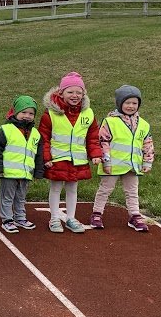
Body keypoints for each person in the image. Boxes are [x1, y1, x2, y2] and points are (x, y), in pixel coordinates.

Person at [39, 71, 102, 233]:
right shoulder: (51, 113)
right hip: (57, 158)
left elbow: (92, 136)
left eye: (79, 92)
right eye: (70, 92)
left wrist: (95, 154)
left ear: (83, 94)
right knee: (55, 188)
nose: (75, 96)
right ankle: (54, 218)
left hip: (77, 159)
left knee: (73, 189)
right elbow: (44, 137)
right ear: (61, 93)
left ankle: (70, 218)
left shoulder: (88, 113)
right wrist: (46, 157)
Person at [91, 85, 154, 231]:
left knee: (132, 191)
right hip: (112, 164)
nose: (131, 106)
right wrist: (106, 162)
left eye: (134, 103)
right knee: (105, 189)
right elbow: (103, 142)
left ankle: (135, 215)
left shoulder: (144, 124)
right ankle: (97, 213)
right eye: (127, 103)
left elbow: (148, 143)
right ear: (120, 103)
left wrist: (147, 162)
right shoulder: (110, 122)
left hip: (132, 165)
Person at [0, 95, 44, 233]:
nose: (27, 116)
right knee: (7, 197)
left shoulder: (36, 134)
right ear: (15, 112)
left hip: (25, 173)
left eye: (31, 113)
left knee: (21, 197)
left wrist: (38, 171)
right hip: (8, 172)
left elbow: (38, 154)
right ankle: (7, 219)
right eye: (23, 112)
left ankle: (20, 217)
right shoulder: (5, 129)